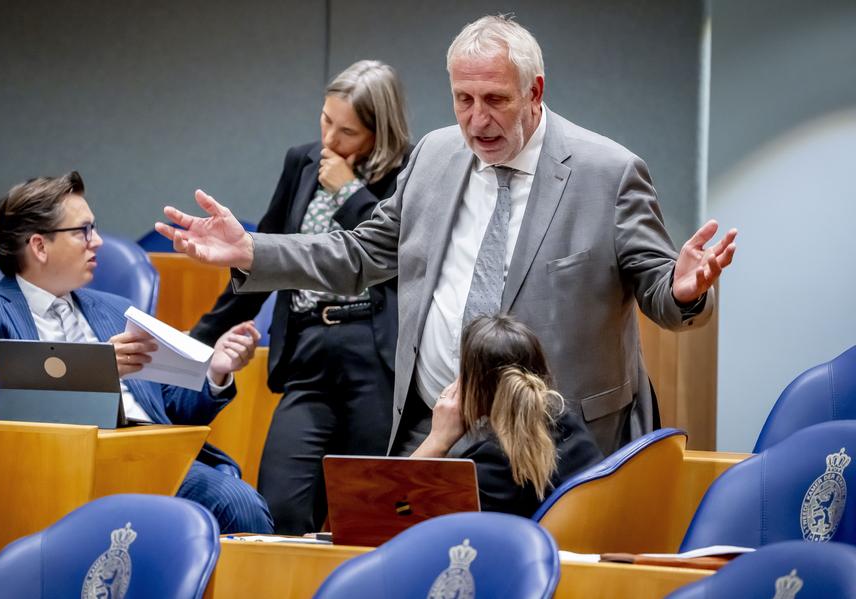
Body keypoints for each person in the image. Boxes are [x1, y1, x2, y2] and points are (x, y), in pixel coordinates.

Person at [156, 15, 738, 457]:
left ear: (535, 92)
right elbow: (361, 252)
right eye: (464, 99)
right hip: (436, 423)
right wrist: (251, 249)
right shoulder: (436, 155)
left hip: (556, 437)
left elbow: (661, 291)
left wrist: (683, 291)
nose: (477, 120)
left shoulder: (607, 173)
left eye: (496, 100)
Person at [0, 171, 273, 534]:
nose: (97, 241)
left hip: (149, 455)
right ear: (39, 246)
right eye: (83, 231)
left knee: (239, 504)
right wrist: (93, 370)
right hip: (52, 462)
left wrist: (215, 371)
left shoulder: (116, 309)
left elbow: (173, 410)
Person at [188, 60, 411, 535]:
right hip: (309, 348)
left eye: (347, 132)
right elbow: (263, 257)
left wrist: (349, 192)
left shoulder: (409, 171)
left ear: (380, 132)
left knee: (368, 512)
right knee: (280, 506)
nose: (330, 139)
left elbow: (396, 254)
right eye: (326, 120)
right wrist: (197, 340)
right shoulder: (303, 161)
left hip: (374, 355)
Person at [412, 314, 602, 516]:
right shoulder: (568, 423)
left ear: (472, 386)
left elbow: (399, 506)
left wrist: (437, 440)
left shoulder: (492, 466)